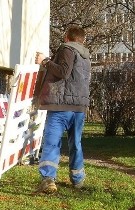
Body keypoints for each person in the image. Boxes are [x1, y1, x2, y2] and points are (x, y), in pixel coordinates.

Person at [34, 26, 91, 194]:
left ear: (67, 37)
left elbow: (63, 72)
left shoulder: (67, 49)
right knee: (76, 144)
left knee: (52, 142)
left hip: (61, 106)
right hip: (79, 108)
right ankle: (77, 179)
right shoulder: (85, 56)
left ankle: (48, 179)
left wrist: (45, 61)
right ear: (83, 40)